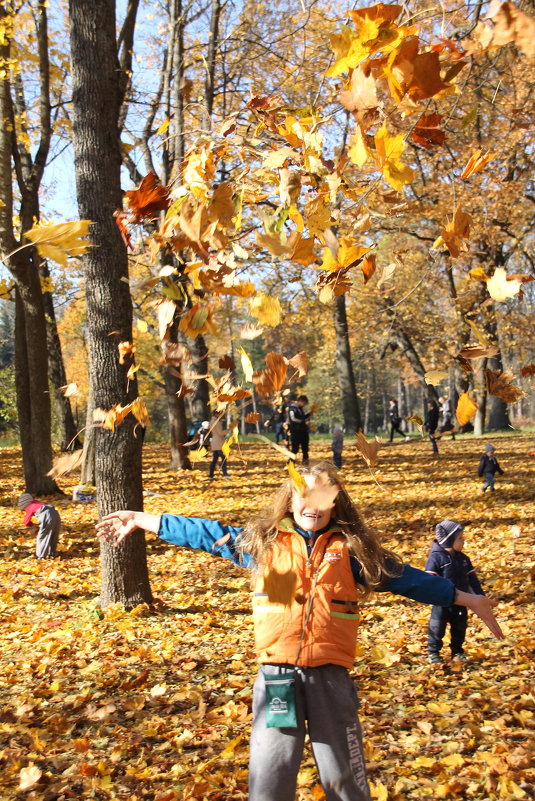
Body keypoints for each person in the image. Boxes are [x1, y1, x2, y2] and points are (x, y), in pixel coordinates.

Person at [96, 461, 504, 801]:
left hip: (329, 678)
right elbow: (203, 533)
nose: (314, 505)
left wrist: (468, 600)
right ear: (291, 500)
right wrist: (142, 519)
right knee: (270, 777)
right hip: (277, 678)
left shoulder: (353, 551)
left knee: (344, 778)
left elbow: (410, 579)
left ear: (335, 504)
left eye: (324, 497)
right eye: (305, 496)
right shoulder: (263, 544)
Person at [425, 520, 485, 664]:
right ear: (448, 540)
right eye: (460, 538)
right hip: (442, 602)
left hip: (461, 600)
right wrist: (435, 594)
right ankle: (433, 652)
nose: (463, 541)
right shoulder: (436, 558)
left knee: (460, 627)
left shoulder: (463, 559)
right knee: (437, 627)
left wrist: (479, 596)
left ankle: (457, 651)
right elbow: (430, 579)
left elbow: (472, 579)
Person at [18, 493, 61, 559]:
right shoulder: (38, 503)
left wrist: (33, 525)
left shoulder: (29, 506)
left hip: (47, 516)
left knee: (43, 536)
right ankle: (52, 553)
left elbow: (26, 522)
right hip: (55, 514)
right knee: (53, 535)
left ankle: (41, 556)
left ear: (24, 505)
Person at [287, 394, 311, 464]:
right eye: (304, 403)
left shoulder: (300, 409)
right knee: (295, 449)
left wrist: (309, 414)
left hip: (303, 431)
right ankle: (290, 464)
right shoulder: (292, 408)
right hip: (295, 431)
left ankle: (305, 464)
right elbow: (293, 419)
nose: (304, 405)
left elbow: (302, 418)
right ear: (300, 401)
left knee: (305, 449)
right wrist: (304, 421)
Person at [208, 415, 229, 480]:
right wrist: (229, 429)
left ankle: (211, 475)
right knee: (223, 458)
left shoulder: (212, 421)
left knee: (215, 459)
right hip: (219, 442)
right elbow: (220, 433)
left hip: (214, 441)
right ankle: (225, 474)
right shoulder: (217, 422)